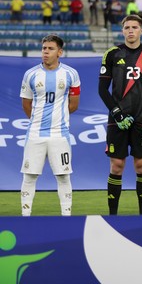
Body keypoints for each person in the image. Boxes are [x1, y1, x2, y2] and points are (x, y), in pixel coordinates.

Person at [99, 15, 142, 215]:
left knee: (141, 165)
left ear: (141, 30)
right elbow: (102, 90)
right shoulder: (111, 54)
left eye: (135, 27)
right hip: (117, 121)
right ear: (122, 30)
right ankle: (113, 216)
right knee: (117, 165)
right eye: (127, 27)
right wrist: (117, 115)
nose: (131, 31)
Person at [19, 35, 81, 216]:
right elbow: (26, 104)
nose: (45, 52)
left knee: (63, 176)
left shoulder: (71, 74)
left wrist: (58, 119)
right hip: (35, 134)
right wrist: (38, 122)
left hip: (60, 135)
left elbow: (74, 104)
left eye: (50, 48)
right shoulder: (30, 74)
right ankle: (25, 217)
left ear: (60, 52)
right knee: (29, 176)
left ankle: (66, 217)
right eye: (44, 48)